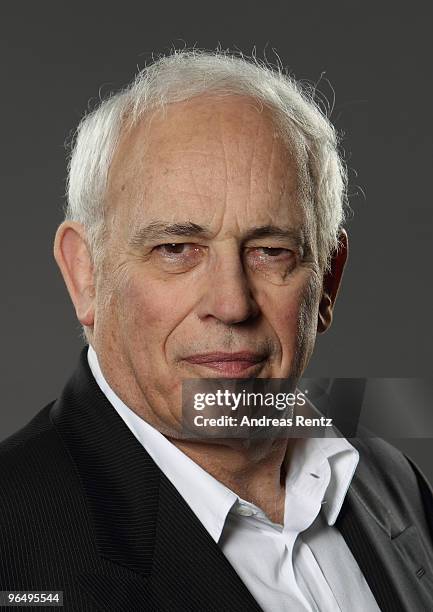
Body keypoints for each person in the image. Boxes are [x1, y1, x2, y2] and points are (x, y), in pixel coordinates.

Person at [0, 50, 432, 611]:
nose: (231, 305)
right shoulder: (14, 545)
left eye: (271, 251)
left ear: (328, 279)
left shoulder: (389, 479)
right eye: (176, 249)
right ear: (86, 276)